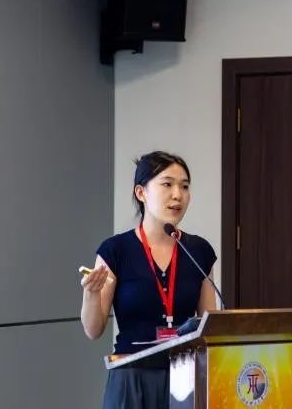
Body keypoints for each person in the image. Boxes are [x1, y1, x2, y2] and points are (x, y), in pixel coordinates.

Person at [80, 150, 218, 409]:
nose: (177, 195)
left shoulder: (198, 251)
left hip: (186, 378)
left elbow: (209, 327)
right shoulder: (115, 250)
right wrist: (91, 294)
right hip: (131, 378)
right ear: (141, 193)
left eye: (184, 186)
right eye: (167, 184)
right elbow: (93, 330)